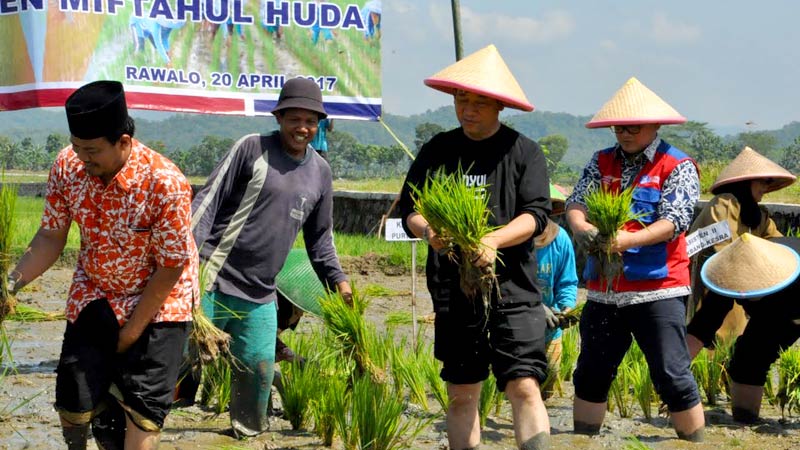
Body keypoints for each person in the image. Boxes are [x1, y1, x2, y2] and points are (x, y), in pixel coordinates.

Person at [7, 80, 197, 450]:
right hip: (95, 291)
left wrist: (131, 331)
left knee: (143, 408)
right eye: (77, 148)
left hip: (159, 301)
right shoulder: (68, 167)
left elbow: (171, 266)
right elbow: (50, 237)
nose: (82, 158)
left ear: (123, 142)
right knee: (73, 397)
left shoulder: (164, 183)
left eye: (92, 150)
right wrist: (11, 284)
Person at [398, 44, 552, 450]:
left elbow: (536, 215)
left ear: (499, 106)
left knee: (523, 385)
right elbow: (410, 210)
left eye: (479, 103)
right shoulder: (438, 151)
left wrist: (493, 239)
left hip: (513, 289)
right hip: (454, 289)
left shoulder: (524, 152)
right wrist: (428, 231)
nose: (468, 110)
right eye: (461, 100)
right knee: (462, 392)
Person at [190, 76, 352, 438]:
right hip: (213, 278)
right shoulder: (252, 149)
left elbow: (321, 240)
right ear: (279, 118)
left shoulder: (320, 173)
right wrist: (188, 264)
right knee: (180, 363)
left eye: (311, 121)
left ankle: (246, 436)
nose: (303, 128)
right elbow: (206, 201)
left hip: (261, 292)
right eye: (294, 119)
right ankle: (138, 424)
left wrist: (339, 283)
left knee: (258, 369)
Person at [565, 77, 705, 441]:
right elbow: (576, 202)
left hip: (657, 288)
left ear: (656, 125)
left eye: (633, 126)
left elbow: (674, 221)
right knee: (591, 372)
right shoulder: (601, 161)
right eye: (618, 126)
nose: (624, 132)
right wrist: (582, 228)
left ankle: (694, 442)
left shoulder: (676, 165)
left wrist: (627, 240)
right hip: (603, 289)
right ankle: (581, 440)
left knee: (672, 374)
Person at [686, 146, 796, 343]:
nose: (765, 187)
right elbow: (724, 250)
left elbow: (779, 247)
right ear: (746, 182)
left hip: (743, 284)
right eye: (762, 181)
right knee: (708, 334)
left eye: (768, 182)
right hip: (715, 282)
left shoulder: (759, 215)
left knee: (732, 338)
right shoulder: (725, 204)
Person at [687, 234, 800, 423]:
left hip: (792, 300)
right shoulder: (728, 274)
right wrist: (674, 375)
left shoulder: (790, 273)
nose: (743, 292)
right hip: (773, 314)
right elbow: (703, 325)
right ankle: (745, 419)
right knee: (748, 359)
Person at [534, 186, 578, 399]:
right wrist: (535, 307)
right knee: (517, 384)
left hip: (550, 328)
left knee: (548, 381)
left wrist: (565, 308)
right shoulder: (511, 239)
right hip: (515, 325)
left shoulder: (561, 240)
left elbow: (568, 282)